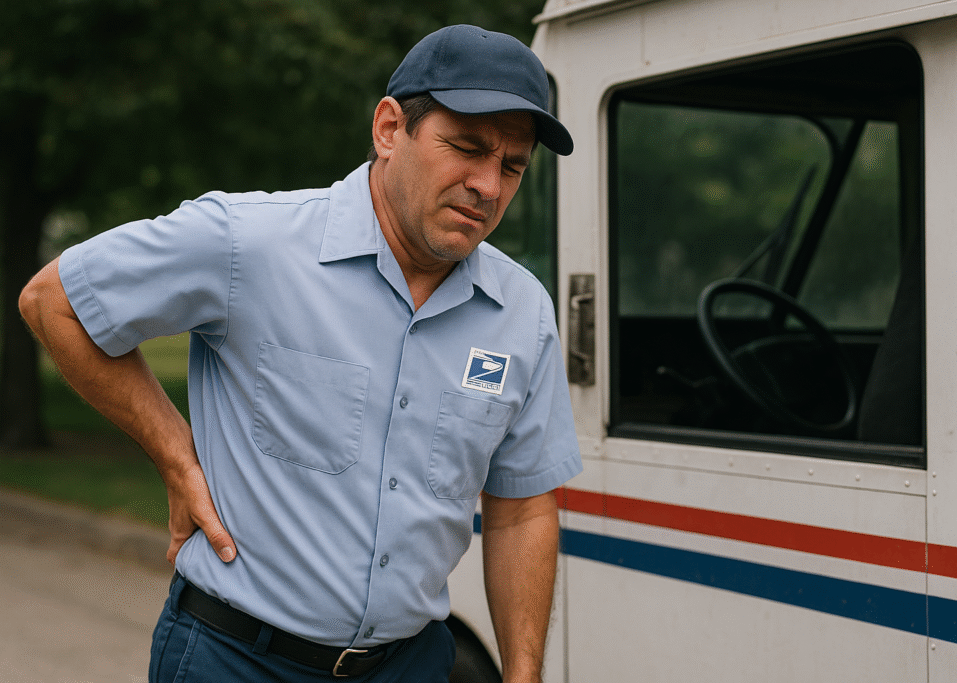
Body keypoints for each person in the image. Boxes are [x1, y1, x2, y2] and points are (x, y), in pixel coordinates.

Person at [19, 24, 581, 683]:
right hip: (235, 659)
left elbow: (521, 506)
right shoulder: (248, 242)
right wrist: (176, 454)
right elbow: (53, 301)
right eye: (467, 148)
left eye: (512, 166)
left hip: (412, 665)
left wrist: (522, 671)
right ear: (390, 129)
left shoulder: (523, 311)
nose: (489, 185)